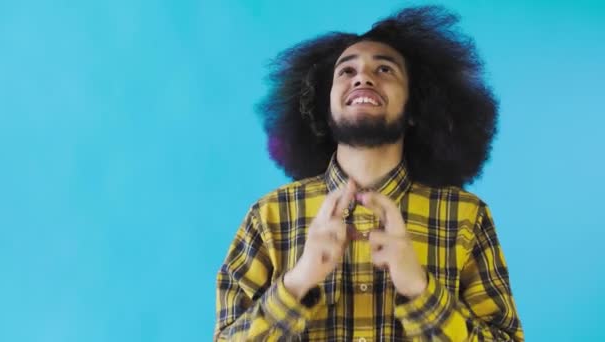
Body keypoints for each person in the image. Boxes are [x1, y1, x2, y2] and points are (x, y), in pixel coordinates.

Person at [215, 5, 524, 341]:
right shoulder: (269, 216)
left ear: (415, 108)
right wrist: (298, 282)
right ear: (324, 107)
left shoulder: (466, 217)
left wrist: (421, 291)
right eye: (346, 71)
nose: (363, 76)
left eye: (385, 69)